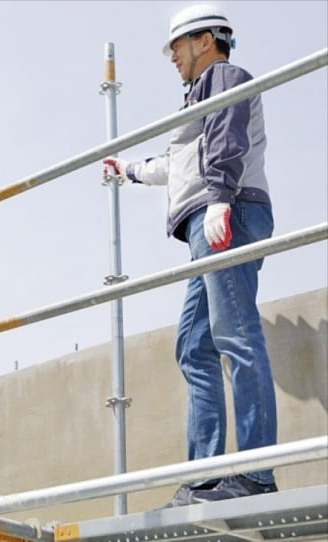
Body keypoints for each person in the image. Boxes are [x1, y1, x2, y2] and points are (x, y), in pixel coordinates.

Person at [104, 4, 278, 507]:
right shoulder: (194, 99)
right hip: (208, 218)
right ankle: (204, 479)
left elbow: (227, 138)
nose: (172, 56)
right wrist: (130, 170)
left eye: (176, 46)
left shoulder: (224, 76)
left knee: (236, 336)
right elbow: (180, 165)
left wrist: (222, 197)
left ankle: (255, 475)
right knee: (194, 346)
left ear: (205, 40)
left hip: (226, 214)